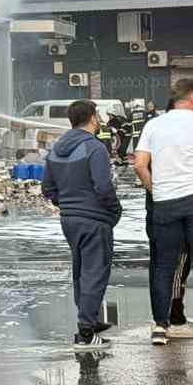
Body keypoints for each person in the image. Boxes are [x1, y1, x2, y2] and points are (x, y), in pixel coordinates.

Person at [134, 78, 193, 346]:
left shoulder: (153, 125)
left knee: (164, 266)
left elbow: (140, 164)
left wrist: (156, 190)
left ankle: (160, 328)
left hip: (166, 203)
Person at [43, 100, 122, 351]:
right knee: (95, 273)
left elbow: (48, 188)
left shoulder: (56, 149)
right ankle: (86, 333)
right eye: (97, 116)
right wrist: (113, 210)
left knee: (81, 272)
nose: (99, 120)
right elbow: (103, 186)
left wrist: (66, 204)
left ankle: (90, 320)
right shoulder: (94, 147)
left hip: (70, 220)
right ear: (92, 118)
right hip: (94, 219)